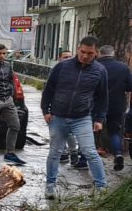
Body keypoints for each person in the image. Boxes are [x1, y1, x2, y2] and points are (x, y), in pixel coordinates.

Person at [41, 36, 109, 199]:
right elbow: (49, 89)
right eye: (83, 52)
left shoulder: (100, 71)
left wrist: (99, 119)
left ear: (96, 53)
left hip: (82, 118)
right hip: (58, 117)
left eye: (90, 53)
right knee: (55, 152)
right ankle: (50, 185)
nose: (85, 56)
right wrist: (46, 110)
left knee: (90, 152)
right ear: (78, 49)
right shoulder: (62, 67)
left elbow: (103, 97)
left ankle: (102, 187)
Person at [96, 45, 132, 171]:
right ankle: (118, 153)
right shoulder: (123, 67)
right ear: (113, 53)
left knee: (89, 129)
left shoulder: (95, 65)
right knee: (114, 131)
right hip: (116, 104)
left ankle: (84, 157)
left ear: (99, 53)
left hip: (96, 104)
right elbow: (129, 87)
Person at [55, 50, 81, 165]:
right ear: (59, 58)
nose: (68, 59)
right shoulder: (56, 71)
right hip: (57, 106)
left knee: (69, 131)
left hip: (73, 107)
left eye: (70, 57)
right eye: (65, 57)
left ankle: (73, 152)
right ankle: (63, 152)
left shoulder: (77, 71)